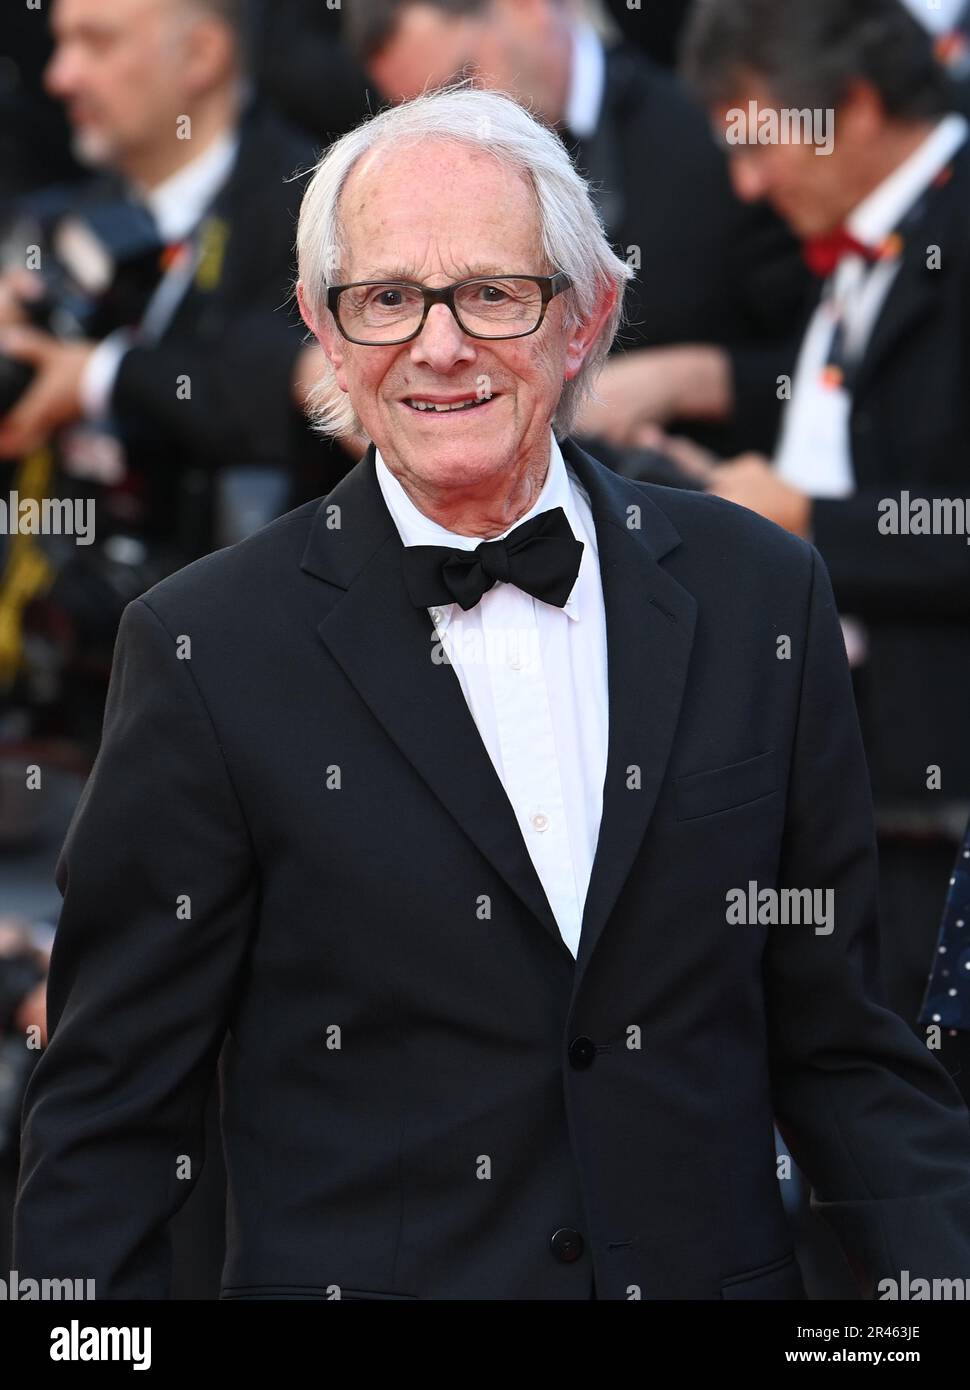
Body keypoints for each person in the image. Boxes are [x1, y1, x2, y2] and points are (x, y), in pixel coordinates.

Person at [13, 85, 970, 1301]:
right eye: (387, 299)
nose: (439, 344)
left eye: (492, 292)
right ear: (324, 326)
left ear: (587, 317)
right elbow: (109, 1121)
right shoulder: (206, 648)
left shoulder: (759, 597)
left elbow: (845, 1054)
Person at [675, 0, 970, 1087]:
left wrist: (803, 523)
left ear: (848, 105)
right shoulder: (861, 246)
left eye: (755, 143)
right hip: (863, 796)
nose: (745, 187)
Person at [343, 0, 813, 457]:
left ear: (527, 6)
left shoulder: (719, 145)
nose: (451, 129)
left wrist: (684, 382)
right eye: (418, 116)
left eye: (462, 83)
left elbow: (848, 373)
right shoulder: (417, 183)